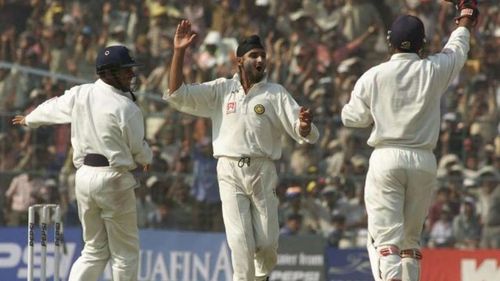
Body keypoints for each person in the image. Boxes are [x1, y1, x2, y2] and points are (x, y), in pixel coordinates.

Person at [164, 20, 319, 281]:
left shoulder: (275, 93)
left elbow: (304, 131)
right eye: (253, 56)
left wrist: (303, 126)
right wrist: (179, 52)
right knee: (240, 244)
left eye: (262, 56)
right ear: (239, 61)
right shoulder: (221, 90)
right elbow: (177, 94)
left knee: (268, 245)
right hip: (229, 169)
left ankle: (260, 278)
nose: (260, 60)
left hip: (262, 170)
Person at [340, 0, 479, 280]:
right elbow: (457, 48)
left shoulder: (372, 76)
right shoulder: (433, 70)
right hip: (423, 161)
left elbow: (349, 118)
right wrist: (465, 18)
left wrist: (375, 113)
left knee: (386, 240)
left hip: (387, 158)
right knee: (410, 244)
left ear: (390, 44)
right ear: (421, 45)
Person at [12, 45, 152, 281]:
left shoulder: (80, 93)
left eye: (131, 70)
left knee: (94, 249)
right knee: (124, 253)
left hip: (84, 178)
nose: (132, 75)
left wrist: (29, 119)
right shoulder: (127, 108)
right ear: (107, 73)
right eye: (126, 70)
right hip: (114, 179)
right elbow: (138, 148)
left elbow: (52, 108)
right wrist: (146, 159)